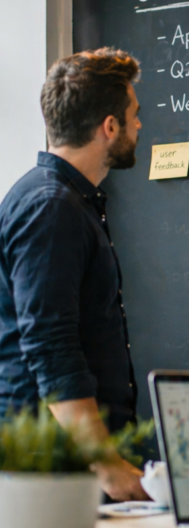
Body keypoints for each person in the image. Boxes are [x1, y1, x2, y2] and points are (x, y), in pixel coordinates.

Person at [0, 48, 147, 501]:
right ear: (109, 126)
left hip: (76, 459)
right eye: (134, 115)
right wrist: (106, 466)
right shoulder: (51, 207)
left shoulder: (68, 201)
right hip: (58, 464)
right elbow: (51, 345)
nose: (139, 126)